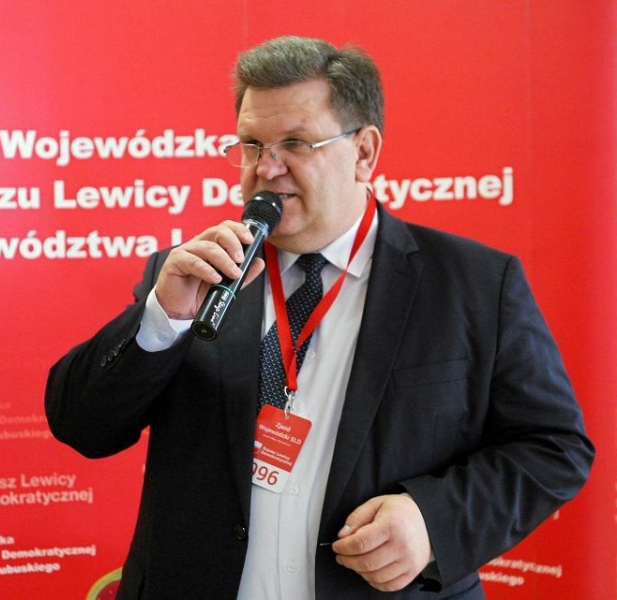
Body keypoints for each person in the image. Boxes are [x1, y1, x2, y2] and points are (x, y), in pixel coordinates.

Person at [45, 35, 594, 599]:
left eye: (296, 143)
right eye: (252, 145)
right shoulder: (197, 277)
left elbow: (553, 447)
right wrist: (163, 317)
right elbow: (81, 425)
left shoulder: (474, 284)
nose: (266, 168)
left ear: (364, 153)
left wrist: (432, 522)